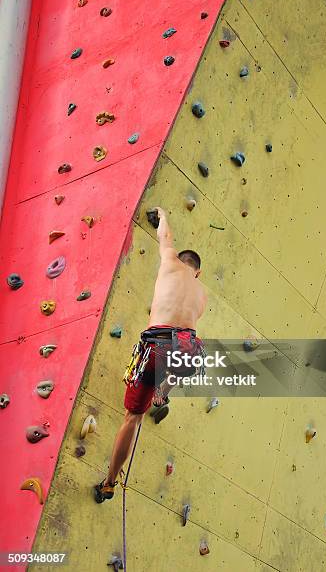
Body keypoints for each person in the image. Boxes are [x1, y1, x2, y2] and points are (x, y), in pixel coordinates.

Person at [94, 207, 207, 503]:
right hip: (187, 351)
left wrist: (163, 215)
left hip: (156, 347)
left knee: (133, 417)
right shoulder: (201, 293)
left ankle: (108, 483)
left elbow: (165, 236)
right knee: (184, 349)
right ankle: (163, 393)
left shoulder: (169, 261)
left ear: (181, 261)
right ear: (198, 272)